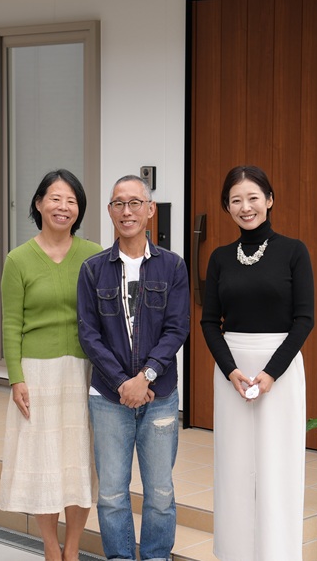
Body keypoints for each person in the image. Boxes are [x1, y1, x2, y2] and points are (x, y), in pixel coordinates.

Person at [200, 165, 314, 561]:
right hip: (232, 370)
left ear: (269, 200)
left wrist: (270, 374)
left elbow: (304, 319)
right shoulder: (219, 258)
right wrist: (231, 370)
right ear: (226, 207)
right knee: (233, 465)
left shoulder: (294, 252)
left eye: (253, 198)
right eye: (236, 200)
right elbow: (209, 322)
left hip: (279, 369)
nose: (245, 207)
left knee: (277, 465)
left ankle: (277, 553)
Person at [77, 175, 190, 561]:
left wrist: (146, 377)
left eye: (135, 203)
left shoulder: (173, 266)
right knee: (111, 493)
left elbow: (177, 328)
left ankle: (157, 557)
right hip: (109, 397)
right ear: (110, 211)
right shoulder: (93, 269)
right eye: (118, 204)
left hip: (160, 395)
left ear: (150, 209)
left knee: (159, 492)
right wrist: (123, 382)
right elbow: (89, 334)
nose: (127, 211)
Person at [0, 169, 102, 561]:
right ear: (39, 203)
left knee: (79, 460)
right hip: (36, 373)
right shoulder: (18, 259)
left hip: (85, 371)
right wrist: (16, 378)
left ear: (79, 209)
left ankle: (72, 549)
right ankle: (50, 547)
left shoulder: (94, 255)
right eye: (55, 198)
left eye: (71, 200)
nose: (63, 207)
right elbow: (11, 323)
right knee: (44, 459)